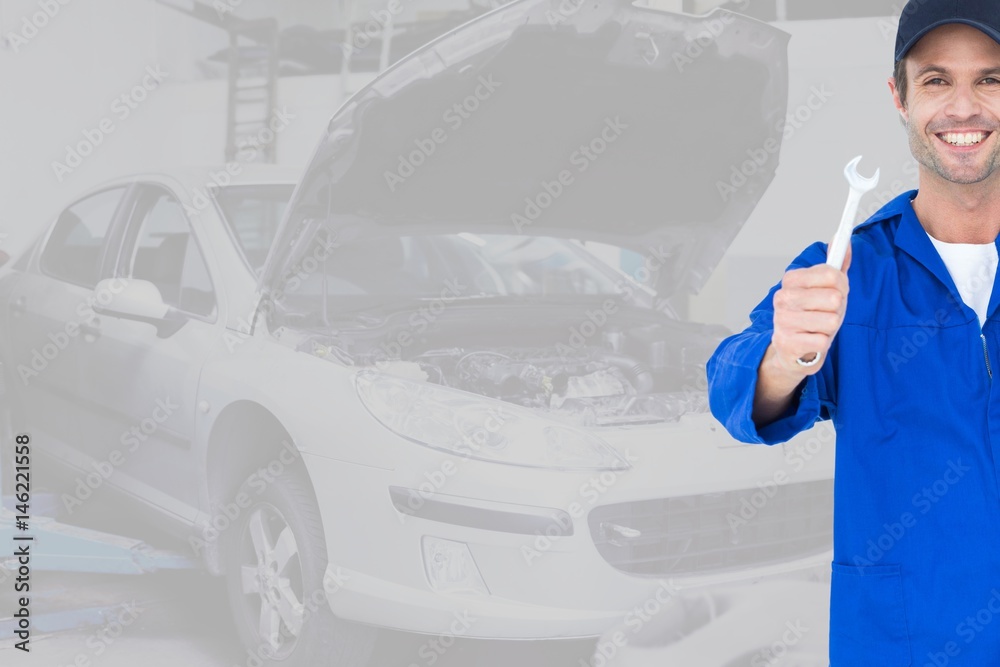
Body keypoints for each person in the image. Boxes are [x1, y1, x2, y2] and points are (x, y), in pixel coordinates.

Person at [706, 1, 1000, 665]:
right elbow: (734, 387)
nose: (964, 107)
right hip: (903, 643)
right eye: (935, 80)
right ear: (897, 96)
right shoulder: (844, 276)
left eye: (990, 79)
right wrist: (787, 355)